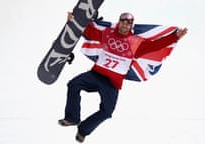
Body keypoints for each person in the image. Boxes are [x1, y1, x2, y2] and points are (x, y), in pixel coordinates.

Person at [59, 12, 188, 143]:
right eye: (123, 22)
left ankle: (83, 130)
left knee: (107, 112)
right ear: (119, 22)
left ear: (131, 26)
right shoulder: (107, 33)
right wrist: (73, 21)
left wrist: (175, 37)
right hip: (96, 75)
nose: (125, 25)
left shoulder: (136, 43)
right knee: (73, 84)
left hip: (111, 83)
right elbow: (88, 32)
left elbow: (156, 45)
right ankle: (72, 118)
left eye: (128, 23)